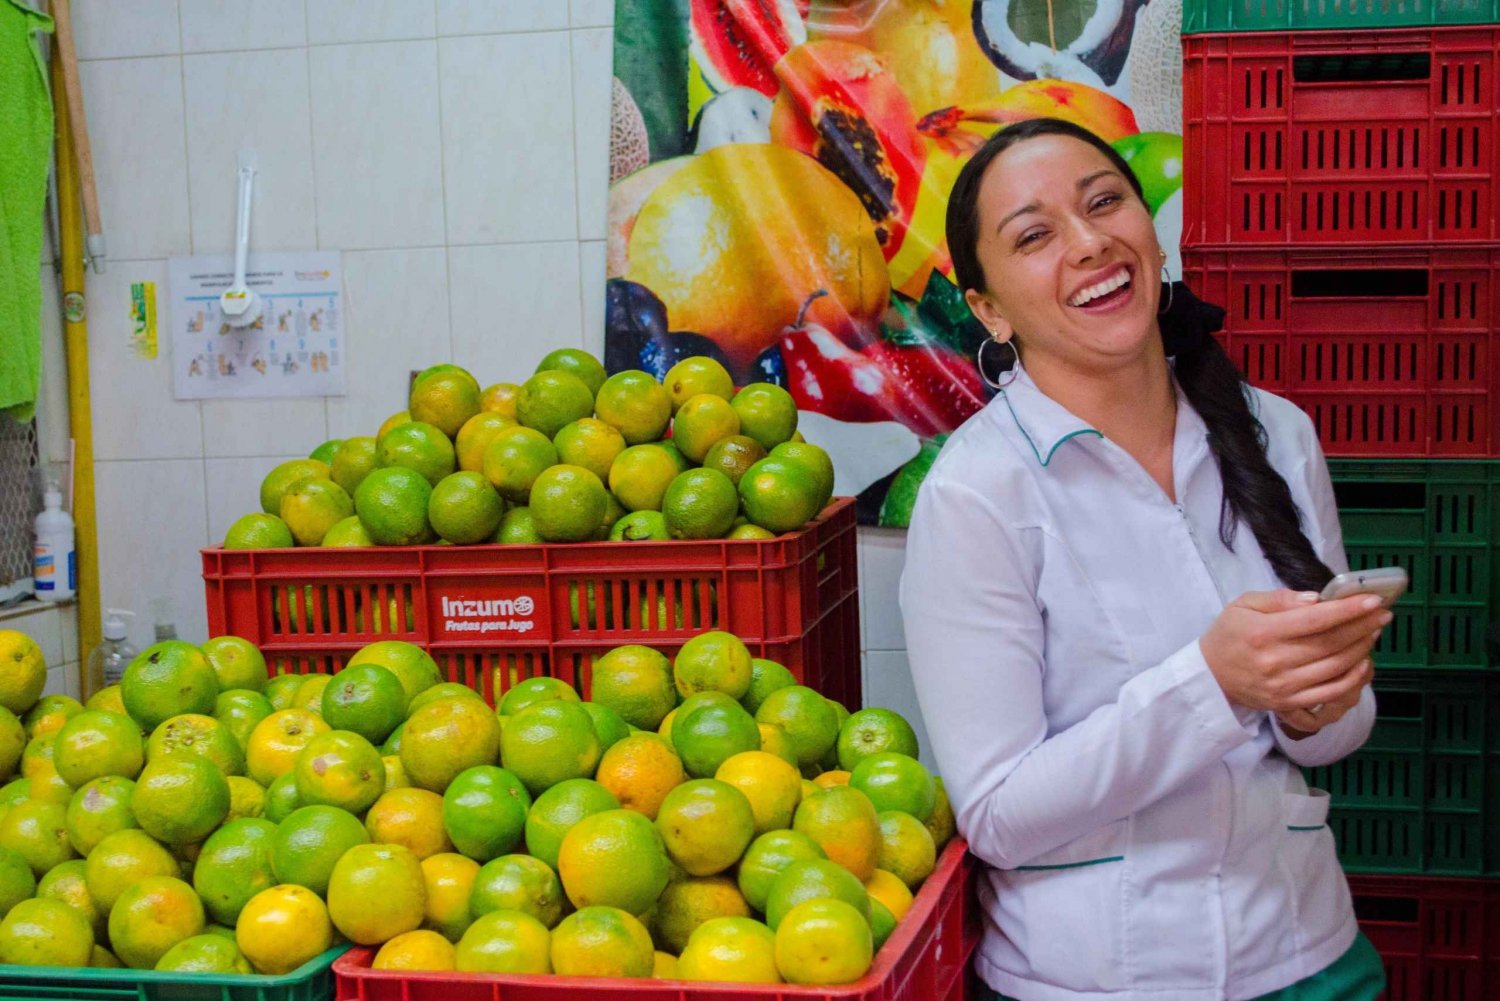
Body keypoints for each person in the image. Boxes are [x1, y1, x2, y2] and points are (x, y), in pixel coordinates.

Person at [898, 118, 1390, 1000]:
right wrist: (1215, 681)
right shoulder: (977, 492)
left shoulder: (1277, 432)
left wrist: (1318, 705)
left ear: (1149, 229)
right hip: (1096, 979)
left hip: (1309, 951)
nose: (1090, 244)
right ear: (989, 309)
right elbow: (999, 814)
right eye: (1035, 235)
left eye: (1104, 202)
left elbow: (1337, 737)